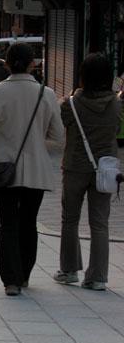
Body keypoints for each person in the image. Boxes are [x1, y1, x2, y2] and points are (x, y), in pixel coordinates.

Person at [0, 43, 64, 296]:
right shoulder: (46, 94)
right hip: (36, 169)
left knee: (8, 223)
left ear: (6, 64)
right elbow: (58, 136)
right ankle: (24, 274)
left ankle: (10, 281)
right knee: (28, 222)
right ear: (32, 64)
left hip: (4, 169)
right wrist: (37, 139)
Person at [55, 53, 122, 291]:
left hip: (75, 166)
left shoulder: (71, 103)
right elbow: (117, 129)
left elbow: (62, 122)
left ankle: (69, 270)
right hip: (106, 168)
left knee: (70, 218)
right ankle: (97, 277)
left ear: (83, 75)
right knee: (100, 222)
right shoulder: (116, 104)